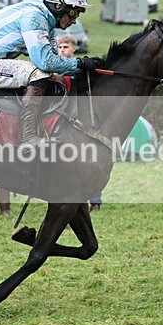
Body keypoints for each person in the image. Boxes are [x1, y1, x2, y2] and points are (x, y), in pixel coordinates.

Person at [0, 0, 97, 148]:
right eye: (73, 13)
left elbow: (55, 59)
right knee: (38, 73)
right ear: (58, 6)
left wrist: (81, 66)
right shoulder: (34, 17)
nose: (75, 20)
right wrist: (78, 63)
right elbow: (46, 62)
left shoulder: (44, 18)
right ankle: (28, 137)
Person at [56, 34, 103, 211]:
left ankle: (95, 200)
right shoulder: (54, 68)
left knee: (90, 158)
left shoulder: (80, 69)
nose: (62, 50)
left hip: (82, 118)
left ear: (74, 49)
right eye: (60, 47)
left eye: (65, 47)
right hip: (60, 119)